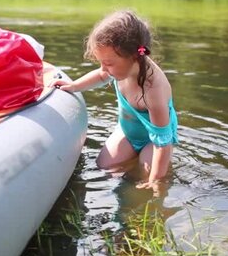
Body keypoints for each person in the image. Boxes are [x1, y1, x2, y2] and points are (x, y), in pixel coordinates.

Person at [50, 10, 178, 193]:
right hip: (127, 132)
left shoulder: (153, 90)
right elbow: (102, 75)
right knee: (105, 166)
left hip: (154, 141)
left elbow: (163, 142)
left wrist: (157, 181)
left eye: (108, 63)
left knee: (147, 174)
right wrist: (74, 86)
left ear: (134, 56)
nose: (104, 69)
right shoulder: (119, 69)